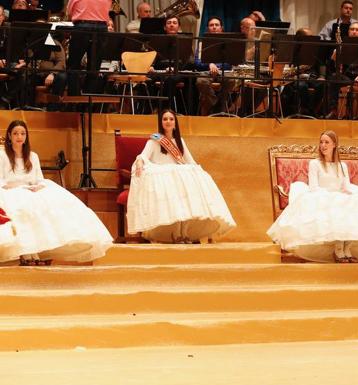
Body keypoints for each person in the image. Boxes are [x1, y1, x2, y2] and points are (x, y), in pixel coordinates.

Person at [267, 130, 358, 263]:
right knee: (338, 205)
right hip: (322, 195)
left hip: (339, 195)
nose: (323, 145)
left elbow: (347, 186)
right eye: (321, 142)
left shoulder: (341, 165)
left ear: (334, 145)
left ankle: (347, 247)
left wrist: (348, 193)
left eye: (327, 142)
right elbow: (314, 187)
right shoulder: (315, 163)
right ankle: (338, 249)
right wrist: (335, 192)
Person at [0, 120, 113, 265]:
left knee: (48, 202)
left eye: (22, 133)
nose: (19, 137)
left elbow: (39, 179)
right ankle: (27, 252)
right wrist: (18, 186)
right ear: (9, 136)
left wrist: (37, 187)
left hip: (30, 188)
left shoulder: (32, 156)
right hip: (11, 189)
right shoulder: (2, 155)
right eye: (15, 133)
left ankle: (42, 250)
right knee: (23, 205)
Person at [127, 110, 236, 243]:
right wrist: (139, 162)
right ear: (161, 122)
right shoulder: (154, 140)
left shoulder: (180, 141)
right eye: (165, 119)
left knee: (189, 191)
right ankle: (176, 233)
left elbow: (190, 161)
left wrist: (198, 173)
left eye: (171, 119)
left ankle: (185, 233)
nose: (168, 122)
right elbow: (143, 156)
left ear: (175, 123)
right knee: (178, 193)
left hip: (178, 177)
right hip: (164, 179)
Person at [66, 0, 111, 95]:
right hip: (101, 28)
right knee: (94, 68)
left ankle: (74, 100)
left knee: (73, 65)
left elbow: (69, 13)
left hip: (82, 26)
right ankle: (88, 101)